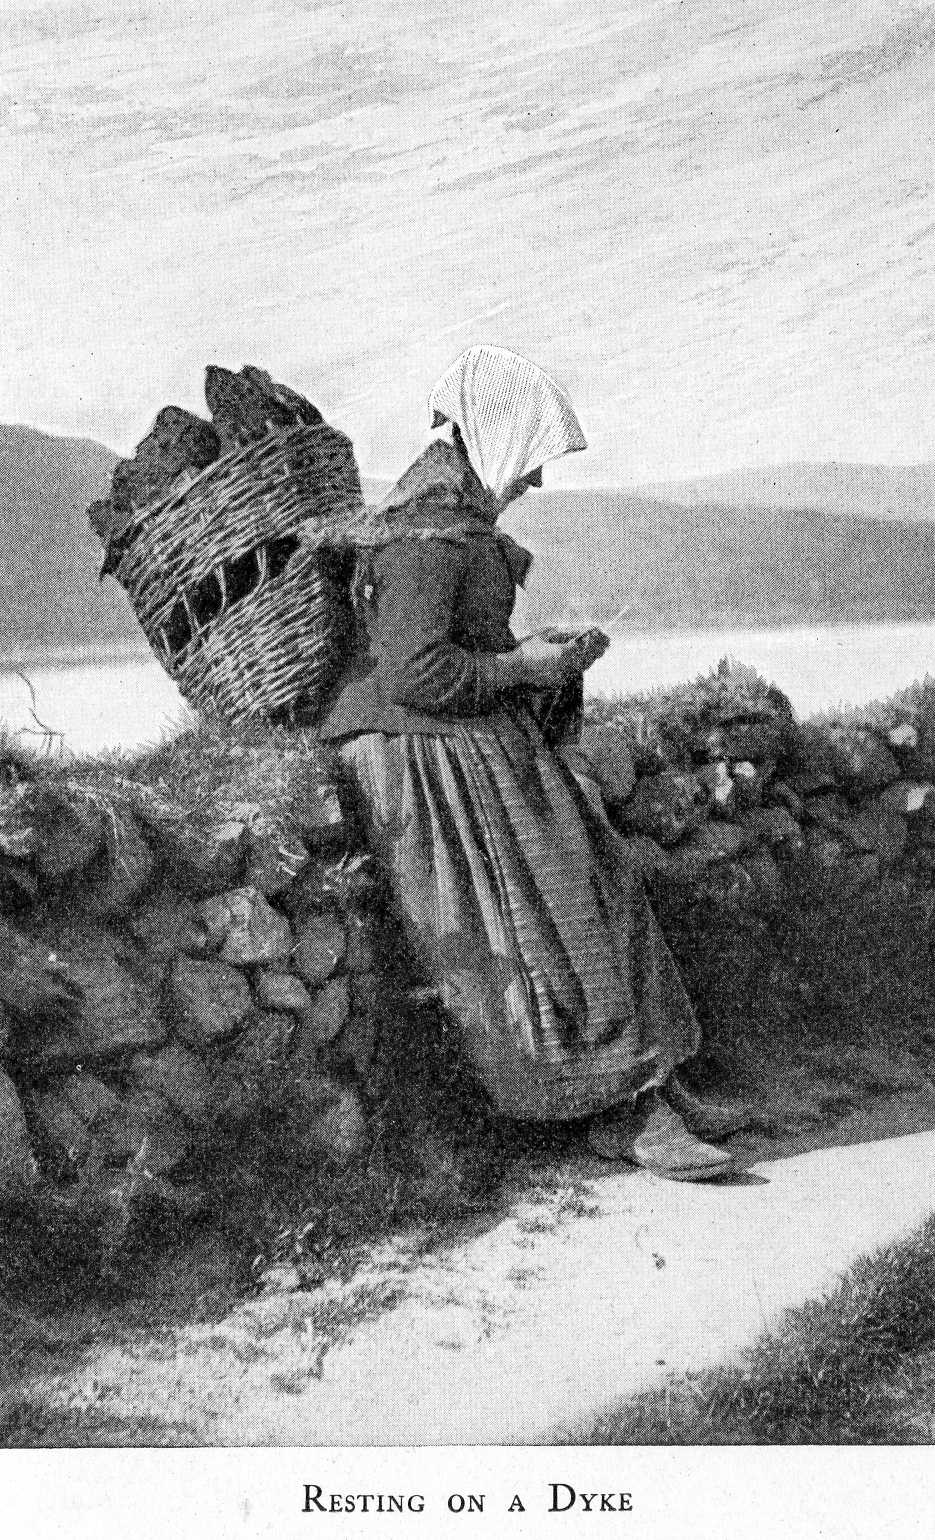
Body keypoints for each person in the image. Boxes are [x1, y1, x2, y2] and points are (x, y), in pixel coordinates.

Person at [319, 345, 743, 1181]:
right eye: (532, 459)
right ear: (493, 439)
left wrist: (544, 660)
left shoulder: (453, 526)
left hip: (466, 736)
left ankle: (650, 1086)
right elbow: (413, 674)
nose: (538, 480)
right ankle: (625, 1110)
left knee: (594, 882)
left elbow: (464, 651)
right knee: (549, 909)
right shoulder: (423, 539)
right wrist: (525, 667)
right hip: (424, 752)